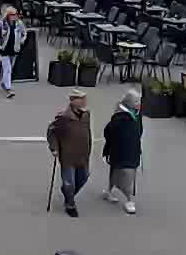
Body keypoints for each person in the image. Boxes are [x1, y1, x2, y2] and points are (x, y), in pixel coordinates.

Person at [47, 90, 92, 218]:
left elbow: (88, 133)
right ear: (73, 101)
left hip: (83, 155)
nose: (84, 101)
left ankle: (68, 192)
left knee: (83, 178)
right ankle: (70, 204)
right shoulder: (63, 118)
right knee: (69, 183)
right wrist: (54, 148)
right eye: (81, 99)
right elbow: (51, 133)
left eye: (85, 98)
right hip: (68, 156)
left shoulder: (86, 115)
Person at [102, 89, 143, 214]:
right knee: (125, 173)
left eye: (139, 101)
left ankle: (109, 191)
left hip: (133, 149)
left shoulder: (137, 114)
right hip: (120, 150)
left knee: (120, 171)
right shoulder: (119, 118)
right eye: (136, 101)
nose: (139, 103)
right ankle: (129, 200)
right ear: (129, 103)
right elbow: (108, 132)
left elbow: (139, 130)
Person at [0, 7, 28, 98]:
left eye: (16, 14)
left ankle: (3, 83)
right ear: (8, 15)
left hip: (14, 49)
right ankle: (9, 89)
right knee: (8, 69)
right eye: (13, 14)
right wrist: (0, 34)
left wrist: (22, 40)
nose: (15, 16)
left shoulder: (19, 23)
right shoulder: (2, 23)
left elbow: (24, 33)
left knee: (10, 67)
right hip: (4, 49)